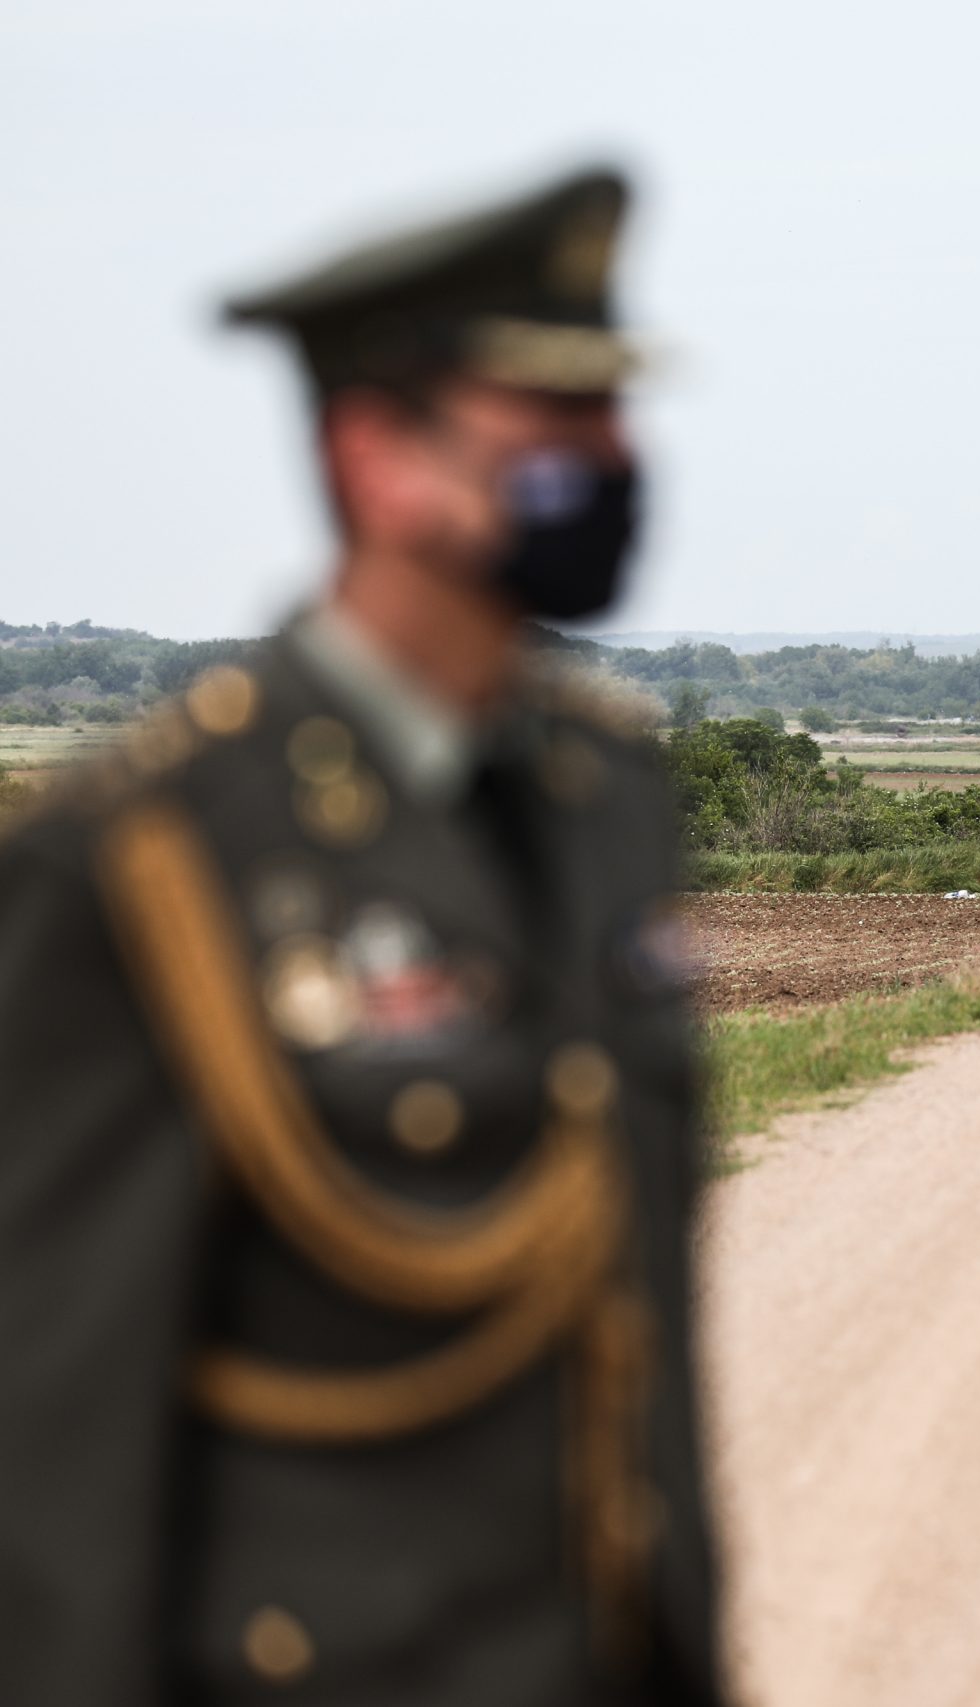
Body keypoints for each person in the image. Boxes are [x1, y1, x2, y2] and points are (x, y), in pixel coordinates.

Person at [0, 165, 727, 1703]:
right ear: (378, 453)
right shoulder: (147, 863)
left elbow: (631, 1344)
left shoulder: (611, 797)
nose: (613, 459)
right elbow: (57, 1449)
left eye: (613, 413)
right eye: (555, 422)